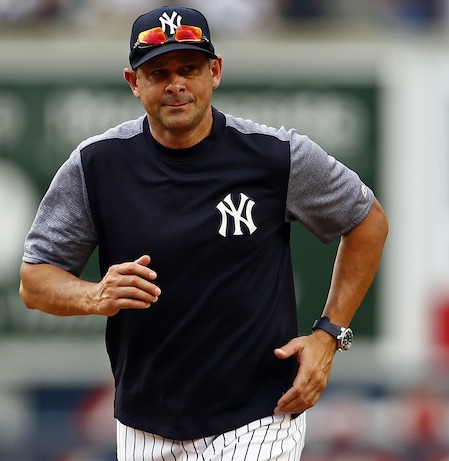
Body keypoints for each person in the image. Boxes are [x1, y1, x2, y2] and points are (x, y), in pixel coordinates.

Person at [19, 5, 388, 460]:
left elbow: (367, 219)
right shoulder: (99, 165)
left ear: (214, 72)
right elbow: (35, 280)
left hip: (259, 413)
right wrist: (94, 295)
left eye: (188, 68)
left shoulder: (274, 157)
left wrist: (330, 334)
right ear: (134, 84)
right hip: (145, 420)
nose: (175, 84)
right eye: (158, 72)